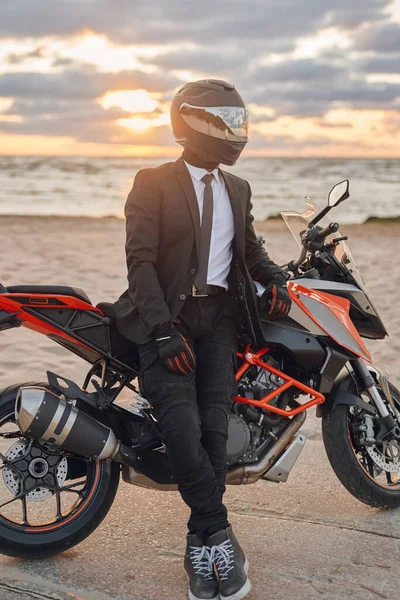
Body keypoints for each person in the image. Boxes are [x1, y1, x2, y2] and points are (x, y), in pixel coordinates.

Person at [114, 79, 291, 600]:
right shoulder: (152, 181)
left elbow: (251, 251)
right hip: (164, 321)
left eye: (240, 123)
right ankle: (218, 535)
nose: (238, 134)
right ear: (193, 123)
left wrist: (276, 276)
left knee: (214, 430)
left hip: (220, 321)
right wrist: (163, 329)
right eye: (228, 123)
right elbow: (139, 262)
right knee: (181, 427)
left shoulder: (238, 189)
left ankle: (201, 539)